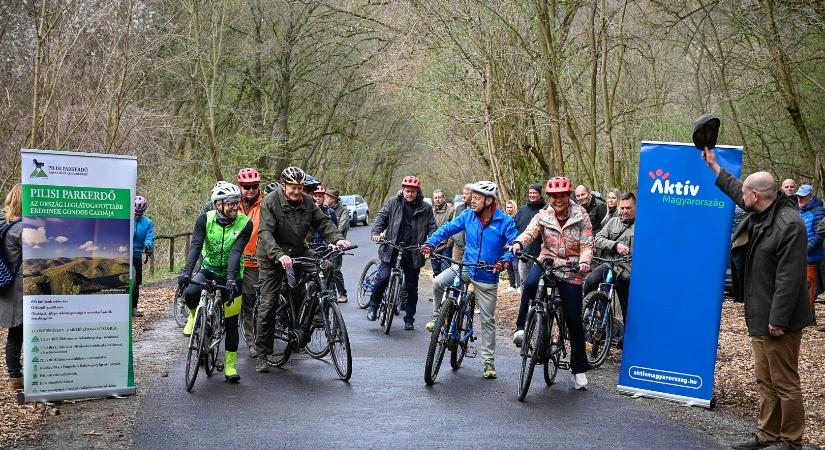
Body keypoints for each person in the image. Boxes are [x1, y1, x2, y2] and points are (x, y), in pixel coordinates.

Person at [702, 148, 811, 450]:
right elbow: (739, 190)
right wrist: (714, 166)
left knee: (785, 383)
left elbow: (789, 280)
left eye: (747, 193)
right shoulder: (762, 207)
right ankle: (767, 435)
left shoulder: (789, 225)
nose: (742, 197)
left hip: (780, 319)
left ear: (758, 196)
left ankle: (790, 441)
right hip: (761, 313)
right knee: (765, 379)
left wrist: (778, 319)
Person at [254, 167, 350, 373]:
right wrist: (279, 255)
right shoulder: (270, 202)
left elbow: (323, 222)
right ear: (283, 186)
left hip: (298, 249)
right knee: (269, 304)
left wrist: (338, 239)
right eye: (293, 188)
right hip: (272, 255)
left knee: (326, 266)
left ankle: (315, 311)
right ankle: (262, 352)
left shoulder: (307, 202)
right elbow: (265, 233)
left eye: (300, 187)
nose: (297, 192)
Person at [423, 181, 518, 379]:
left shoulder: (504, 222)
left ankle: (488, 361)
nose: (472, 201)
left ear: (489, 200)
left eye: (476, 198)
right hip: (465, 266)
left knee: (487, 320)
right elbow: (446, 229)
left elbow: (514, 246)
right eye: (471, 198)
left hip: (487, 274)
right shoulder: (467, 216)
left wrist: (504, 261)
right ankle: (436, 317)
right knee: (439, 282)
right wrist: (430, 243)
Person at [512, 177, 593, 390]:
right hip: (547, 261)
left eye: (562, 196)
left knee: (574, 320)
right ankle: (521, 328)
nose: (558, 200)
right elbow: (530, 232)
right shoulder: (543, 214)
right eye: (554, 196)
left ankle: (579, 370)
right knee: (529, 284)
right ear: (549, 197)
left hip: (571, 268)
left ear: (569, 196)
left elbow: (587, 244)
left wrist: (584, 261)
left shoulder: (581, 215)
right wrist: (519, 242)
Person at [178, 181, 252, 383]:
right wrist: (186, 272)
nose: (235, 207)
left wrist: (230, 280)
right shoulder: (205, 220)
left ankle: (230, 366)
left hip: (233, 273)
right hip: (209, 269)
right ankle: (194, 316)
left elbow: (236, 252)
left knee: (230, 322)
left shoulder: (245, 223)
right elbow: (195, 247)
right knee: (191, 293)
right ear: (218, 204)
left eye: (237, 203)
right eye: (230, 203)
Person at [368, 176, 436, 330]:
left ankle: (409, 318)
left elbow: (432, 228)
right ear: (403, 190)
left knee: (411, 286)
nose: (409, 194)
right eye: (407, 191)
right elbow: (381, 218)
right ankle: (373, 307)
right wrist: (376, 232)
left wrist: (429, 244)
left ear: (417, 192)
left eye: (412, 192)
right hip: (392, 248)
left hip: (413, 252)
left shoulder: (426, 208)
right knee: (382, 278)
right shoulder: (394, 203)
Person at [583, 192, 635, 339]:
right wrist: (615, 245)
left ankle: (627, 340)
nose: (625, 211)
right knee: (590, 282)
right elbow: (598, 238)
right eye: (622, 208)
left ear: (635, 207)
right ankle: (591, 314)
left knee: (628, 309)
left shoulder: (642, 226)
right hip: (610, 266)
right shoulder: (613, 222)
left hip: (626, 272)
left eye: (628, 208)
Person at [236, 168, 263, 357]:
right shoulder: (230, 202)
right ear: (240, 186)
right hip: (233, 259)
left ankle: (253, 342)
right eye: (246, 187)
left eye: (254, 186)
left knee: (251, 301)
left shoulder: (266, 204)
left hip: (256, 261)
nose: (250, 190)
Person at [0, 185, 23, 391]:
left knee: (14, 334)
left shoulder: (2, 222)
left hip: (6, 283)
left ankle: (15, 377)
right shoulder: (22, 229)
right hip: (20, 288)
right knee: (19, 333)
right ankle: (16, 377)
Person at [795, 184, 824, 323]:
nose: (799, 199)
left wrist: (804, 251)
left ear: (811, 196)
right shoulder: (801, 210)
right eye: (798, 196)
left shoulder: (818, 212)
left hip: (811, 257)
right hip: (801, 256)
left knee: (809, 287)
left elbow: (819, 236)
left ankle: (809, 318)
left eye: (802, 197)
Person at [513, 184, 546, 291]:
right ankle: (526, 304)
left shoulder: (546, 210)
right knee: (524, 282)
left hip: (541, 254)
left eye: (535, 193)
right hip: (524, 254)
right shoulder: (521, 211)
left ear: (540, 194)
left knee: (540, 282)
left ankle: (540, 304)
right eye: (530, 193)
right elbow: (515, 228)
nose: (532, 195)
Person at [325, 187, 351, 303]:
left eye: (328, 197)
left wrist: (335, 240)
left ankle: (343, 294)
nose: (325, 199)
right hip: (326, 244)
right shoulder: (324, 209)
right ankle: (331, 293)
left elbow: (341, 228)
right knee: (326, 269)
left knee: (335, 269)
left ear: (334, 199)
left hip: (338, 244)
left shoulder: (343, 211)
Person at [132, 196, 154, 318]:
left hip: (137, 253)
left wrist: (148, 246)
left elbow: (149, 237)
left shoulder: (148, 223)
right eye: (135, 213)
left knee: (136, 282)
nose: (137, 216)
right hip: (125, 252)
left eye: (140, 214)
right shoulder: (127, 219)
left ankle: (134, 307)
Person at [430, 189, 455, 277]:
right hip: (434, 245)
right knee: (436, 271)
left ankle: (445, 290)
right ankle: (438, 289)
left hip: (446, 246)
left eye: (439, 197)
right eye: (435, 198)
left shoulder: (451, 210)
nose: (437, 199)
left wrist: (449, 243)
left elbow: (454, 228)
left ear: (444, 198)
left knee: (445, 272)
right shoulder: (431, 211)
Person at [504, 199, 520, 292]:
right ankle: (512, 285)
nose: (509, 209)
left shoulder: (517, 217)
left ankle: (519, 285)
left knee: (516, 265)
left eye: (511, 207)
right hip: (506, 244)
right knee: (508, 265)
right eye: (507, 207)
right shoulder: (504, 217)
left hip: (515, 243)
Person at [451, 187, 471, 261]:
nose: (463, 196)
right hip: (458, 246)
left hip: (471, 248)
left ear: (472, 195)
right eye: (463, 193)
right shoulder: (459, 208)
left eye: (466, 194)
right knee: (456, 270)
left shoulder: (477, 208)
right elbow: (453, 225)